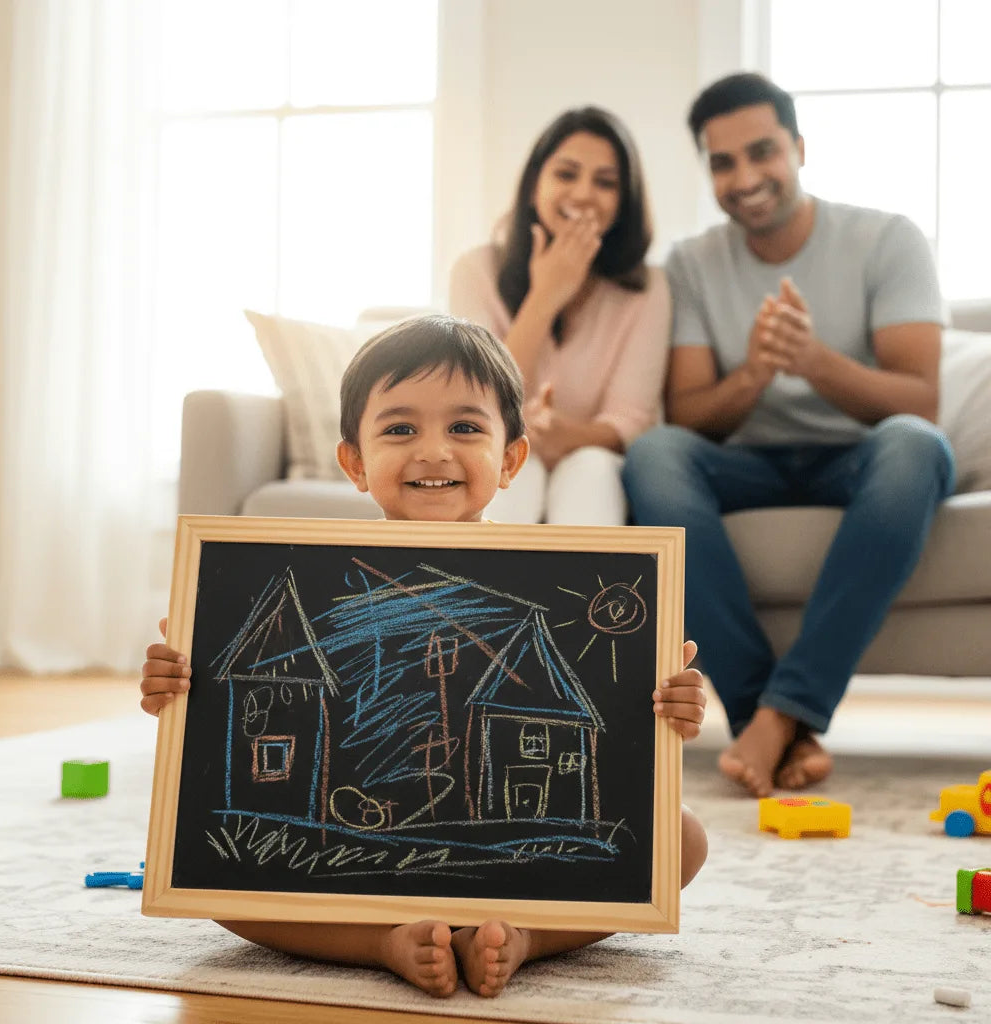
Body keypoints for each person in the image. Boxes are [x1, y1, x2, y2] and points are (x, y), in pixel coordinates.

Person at [141, 314, 709, 998]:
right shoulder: (319, 583)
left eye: (465, 428)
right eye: (400, 429)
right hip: (364, 814)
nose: (433, 451)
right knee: (190, 862)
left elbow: (616, 734)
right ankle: (379, 943)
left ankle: (525, 936)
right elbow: (230, 706)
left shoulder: (542, 586)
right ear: (354, 462)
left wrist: (668, 707)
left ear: (510, 459)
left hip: (484, 830)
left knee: (684, 842)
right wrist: (178, 687)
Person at [622, 73, 956, 800]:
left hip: (857, 459)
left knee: (915, 447)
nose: (744, 178)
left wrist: (812, 361)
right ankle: (773, 719)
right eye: (722, 162)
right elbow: (687, 413)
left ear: (799, 148)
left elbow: (920, 399)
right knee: (653, 454)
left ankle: (777, 715)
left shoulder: (887, 238)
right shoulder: (691, 263)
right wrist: (755, 374)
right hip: (742, 462)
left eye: (762, 152)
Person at [449, 107, 670, 525]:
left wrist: (568, 437)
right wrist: (547, 295)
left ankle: (585, 593)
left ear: (623, 204)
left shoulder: (648, 288)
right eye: (567, 174)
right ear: (535, 187)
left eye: (605, 183)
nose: (584, 194)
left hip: (593, 460)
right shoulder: (475, 271)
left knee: (590, 468)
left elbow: (632, 419)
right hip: (501, 453)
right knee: (514, 470)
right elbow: (474, 403)